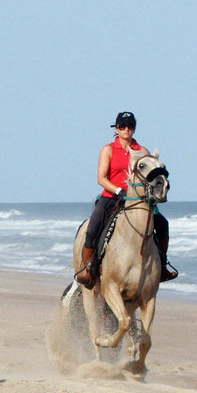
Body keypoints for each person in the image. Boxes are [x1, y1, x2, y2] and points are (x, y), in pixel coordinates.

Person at [75, 111, 176, 287]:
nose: (126, 129)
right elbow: (101, 178)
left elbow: (150, 176)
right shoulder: (108, 149)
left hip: (138, 200)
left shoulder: (142, 151)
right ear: (116, 128)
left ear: (134, 129)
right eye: (122, 126)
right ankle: (87, 268)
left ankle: (163, 266)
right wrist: (119, 190)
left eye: (130, 126)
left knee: (162, 224)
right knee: (93, 227)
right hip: (112, 197)